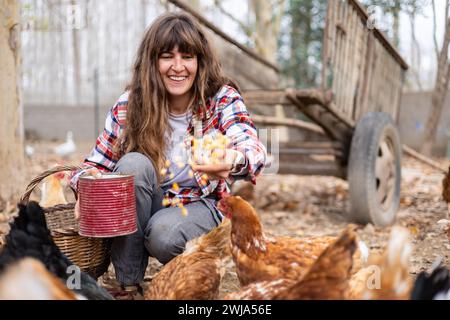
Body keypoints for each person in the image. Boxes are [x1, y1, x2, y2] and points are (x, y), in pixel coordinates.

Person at [69, 12, 266, 297]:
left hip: (202, 204)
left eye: (187, 56)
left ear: (200, 61)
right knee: (132, 164)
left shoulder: (221, 99)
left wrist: (232, 159)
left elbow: (252, 147)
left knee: (163, 234)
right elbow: (92, 166)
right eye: (166, 56)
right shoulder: (130, 105)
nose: (178, 67)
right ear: (152, 62)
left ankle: (192, 267)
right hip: (151, 202)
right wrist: (84, 186)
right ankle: (128, 283)